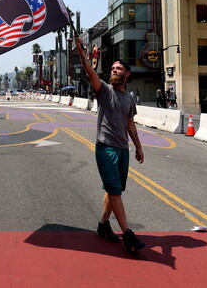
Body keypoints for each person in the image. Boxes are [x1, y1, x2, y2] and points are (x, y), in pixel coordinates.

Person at [75, 35, 145, 253]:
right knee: (115, 190)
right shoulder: (104, 90)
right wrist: (80, 50)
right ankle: (128, 234)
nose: (114, 70)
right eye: (113, 68)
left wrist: (139, 147)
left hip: (123, 149)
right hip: (105, 147)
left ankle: (103, 225)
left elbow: (130, 124)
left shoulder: (129, 99)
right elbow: (89, 70)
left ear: (127, 74)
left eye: (118, 69)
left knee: (113, 189)